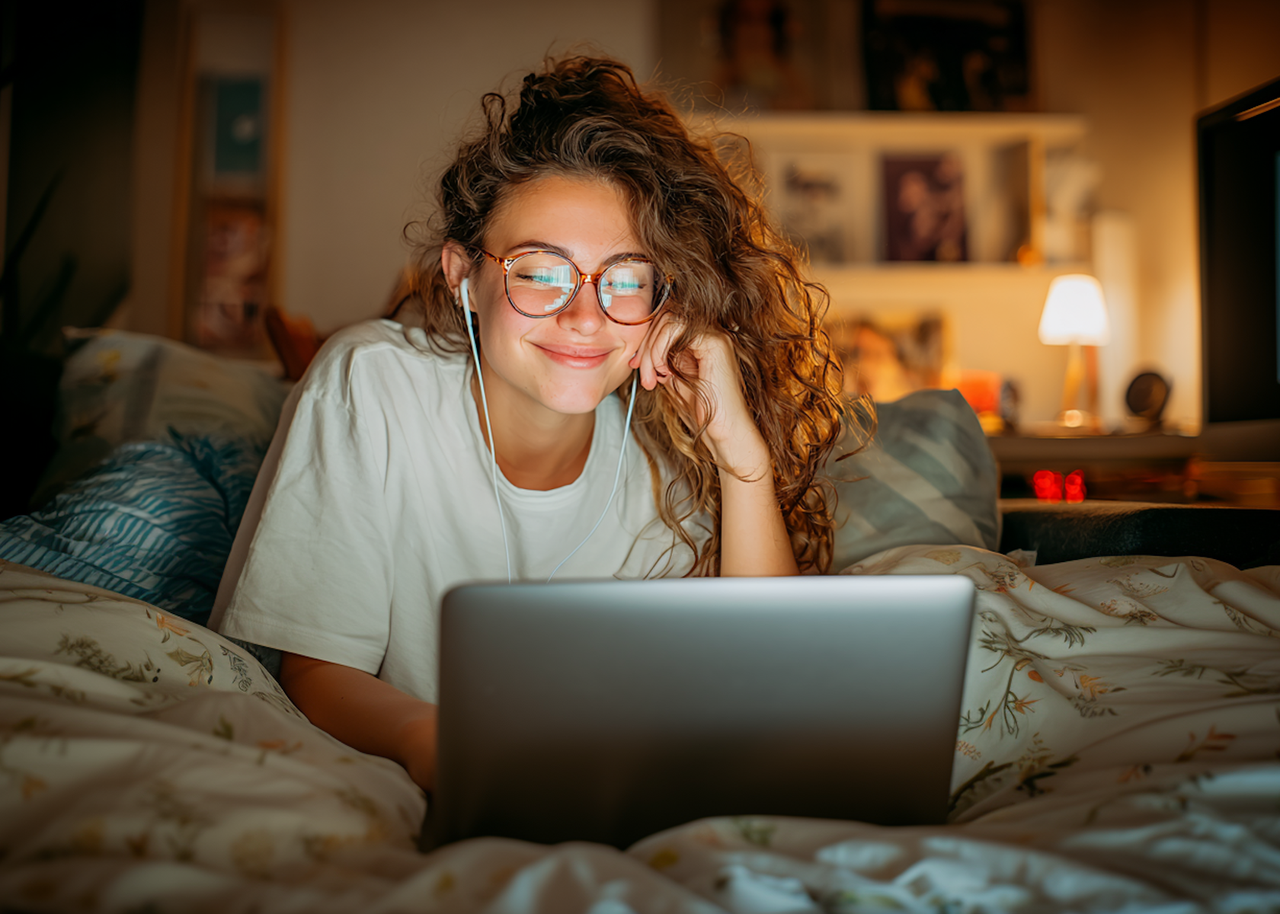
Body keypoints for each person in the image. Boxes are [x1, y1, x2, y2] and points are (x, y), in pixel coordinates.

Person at [211, 56, 851, 792]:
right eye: (540, 271)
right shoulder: (373, 382)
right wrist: (433, 741)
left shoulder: (664, 455)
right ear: (463, 279)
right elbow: (318, 673)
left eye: (624, 278)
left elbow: (769, 683)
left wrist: (743, 460)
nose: (584, 317)